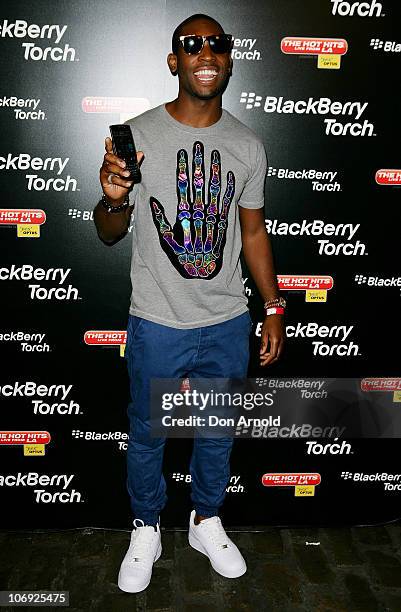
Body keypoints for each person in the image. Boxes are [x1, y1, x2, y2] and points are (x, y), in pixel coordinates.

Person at [94, 13, 286, 594]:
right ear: (174, 61)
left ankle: (206, 520)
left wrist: (272, 307)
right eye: (191, 45)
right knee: (149, 432)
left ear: (229, 59)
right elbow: (108, 231)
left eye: (217, 45)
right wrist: (113, 199)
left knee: (217, 431)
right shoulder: (137, 134)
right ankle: (146, 527)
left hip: (227, 320)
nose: (206, 53)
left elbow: (253, 233)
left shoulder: (248, 144)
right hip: (157, 320)